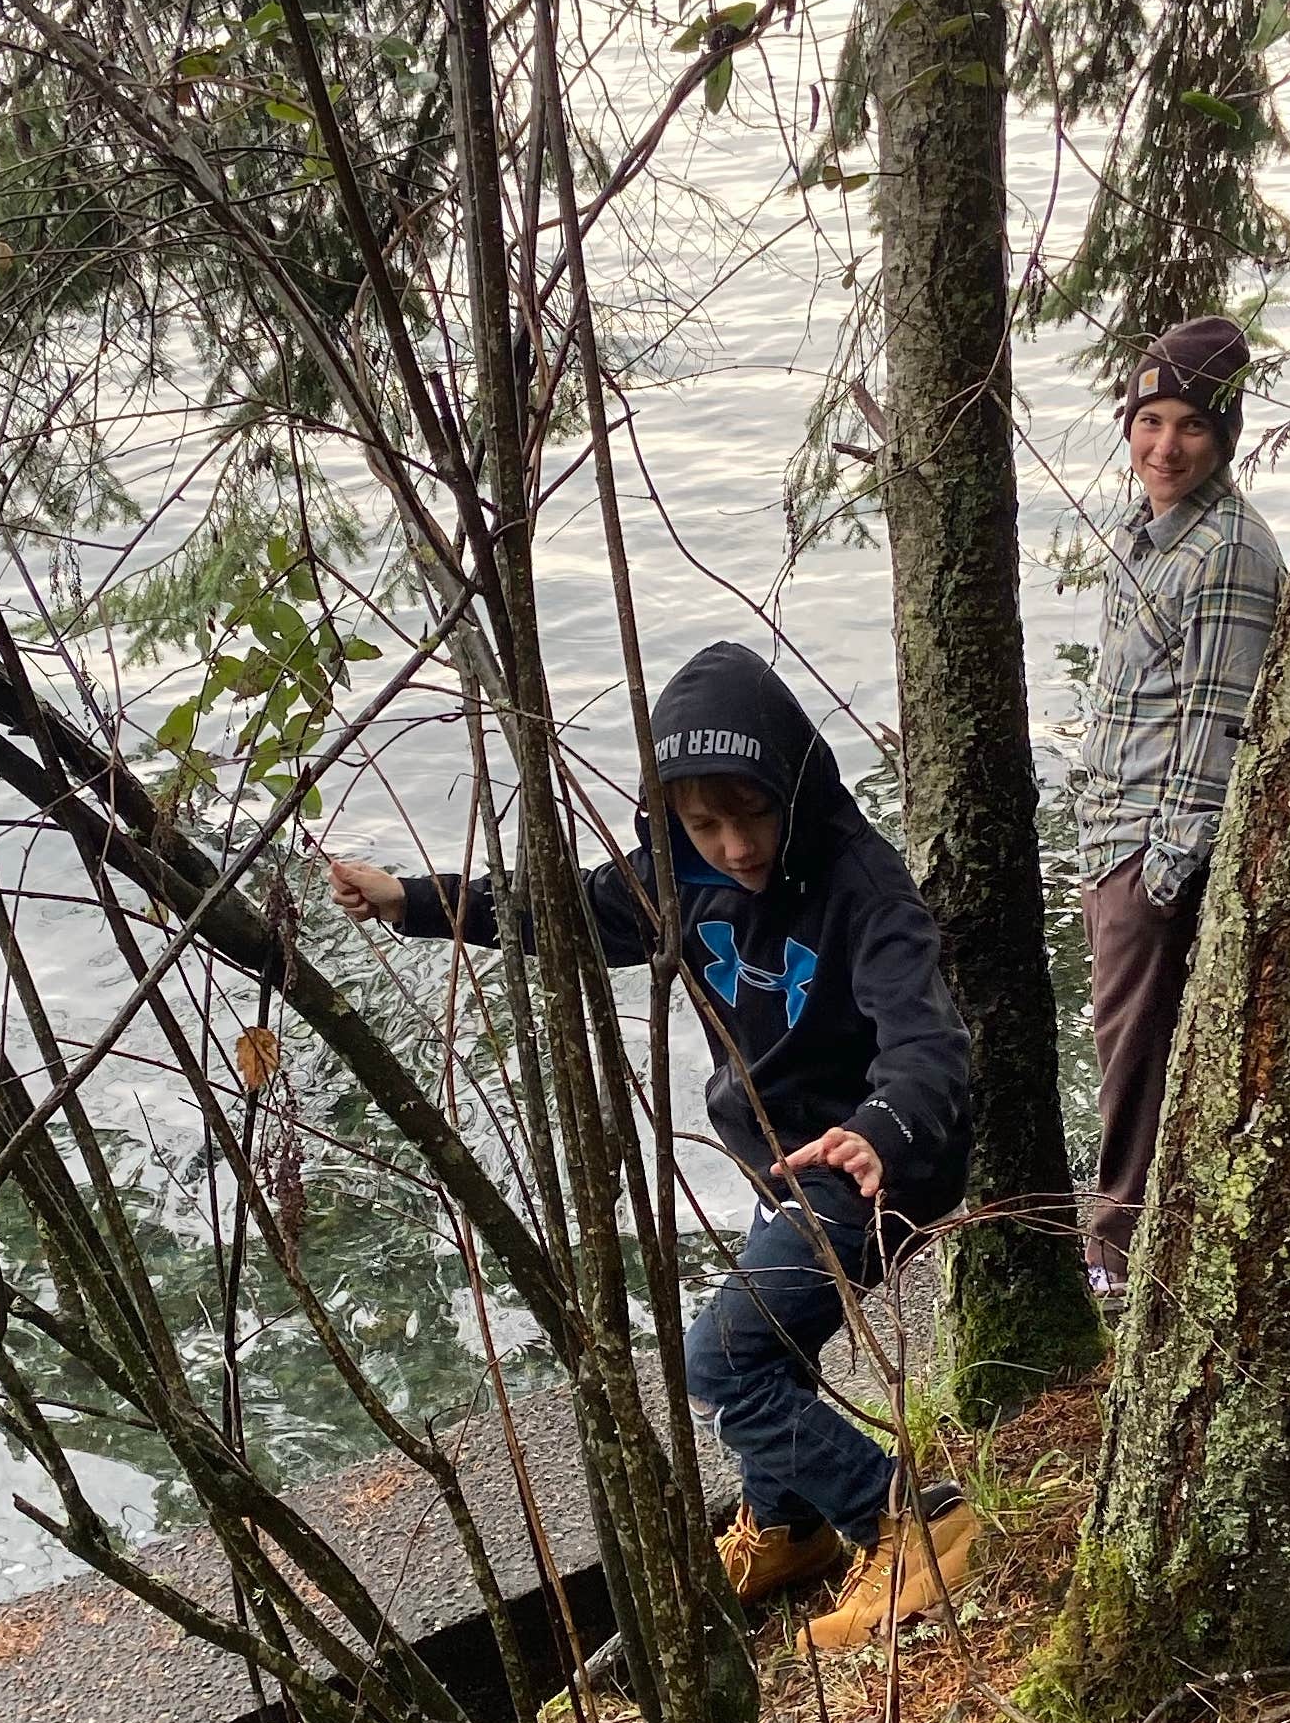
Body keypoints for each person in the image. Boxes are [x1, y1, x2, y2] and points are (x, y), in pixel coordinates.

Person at [326, 641, 978, 1649]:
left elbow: (928, 1038)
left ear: (792, 788)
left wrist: (882, 1127)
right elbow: (556, 906)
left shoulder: (863, 887)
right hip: (778, 1157)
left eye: (753, 813)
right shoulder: (677, 877)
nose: (736, 846)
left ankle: (907, 1518)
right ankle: (792, 1524)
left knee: (721, 1359)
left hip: (874, 1161)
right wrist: (412, 901)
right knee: (776, 1343)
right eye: (704, 823)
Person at [1068, 314, 1287, 1302]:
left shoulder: (1228, 555)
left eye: (1191, 426)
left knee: (1135, 1056)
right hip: (1111, 837)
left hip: (1151, 854)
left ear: (1225, 434)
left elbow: (1217, 732)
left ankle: (1117, 1255)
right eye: (1149, 420)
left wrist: (1160, 881)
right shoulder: (1150, 534)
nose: (1165, 445)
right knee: (1130, 1046)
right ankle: (1133, 1241)